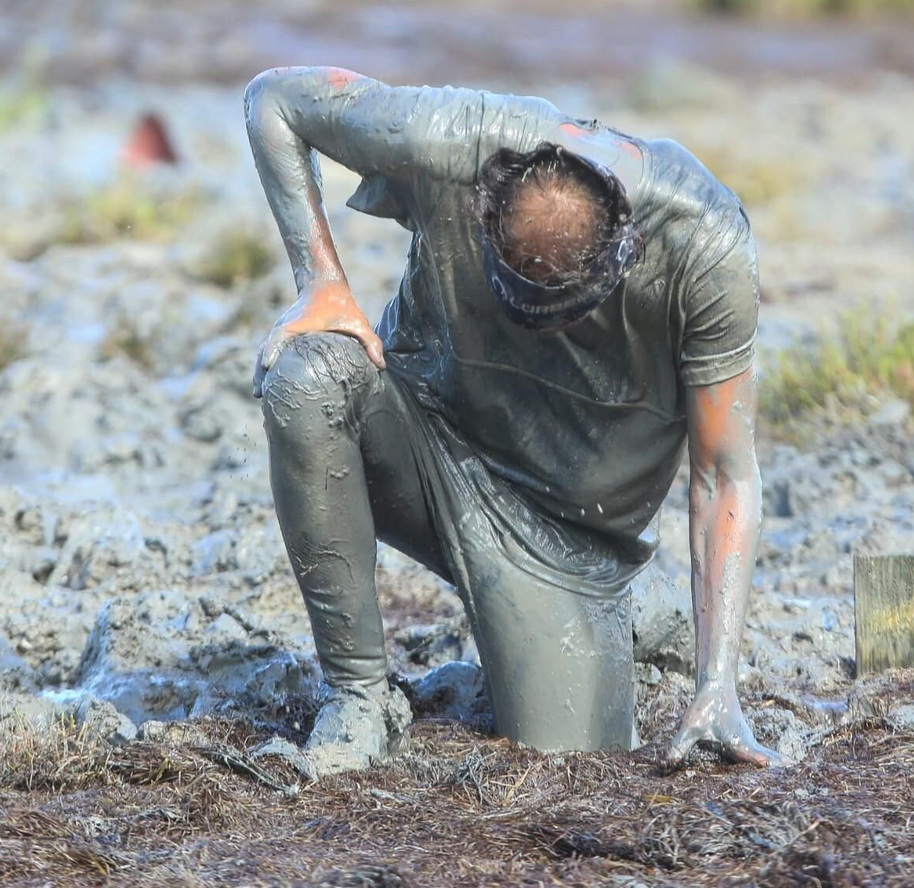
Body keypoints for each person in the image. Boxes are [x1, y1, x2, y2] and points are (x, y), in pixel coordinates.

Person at [244, 66, 782, 767]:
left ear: (624, 255)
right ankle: (359, 695)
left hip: (564, 540)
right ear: (488, 202)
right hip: (425, 442)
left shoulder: (705, 249)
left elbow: (724, 475)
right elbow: (275, 100)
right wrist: (322, 281)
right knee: (307, 374)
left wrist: (717, 688)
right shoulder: (452, 138)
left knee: (571, 763)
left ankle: (614, 624)